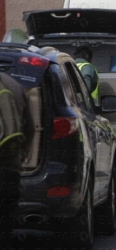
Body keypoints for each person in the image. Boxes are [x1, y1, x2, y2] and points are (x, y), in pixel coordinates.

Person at [0, 73, 34, 247]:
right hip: (8, 169)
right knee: (5, 224)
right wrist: (21, 157)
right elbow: (30, 129)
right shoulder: (14, 85)